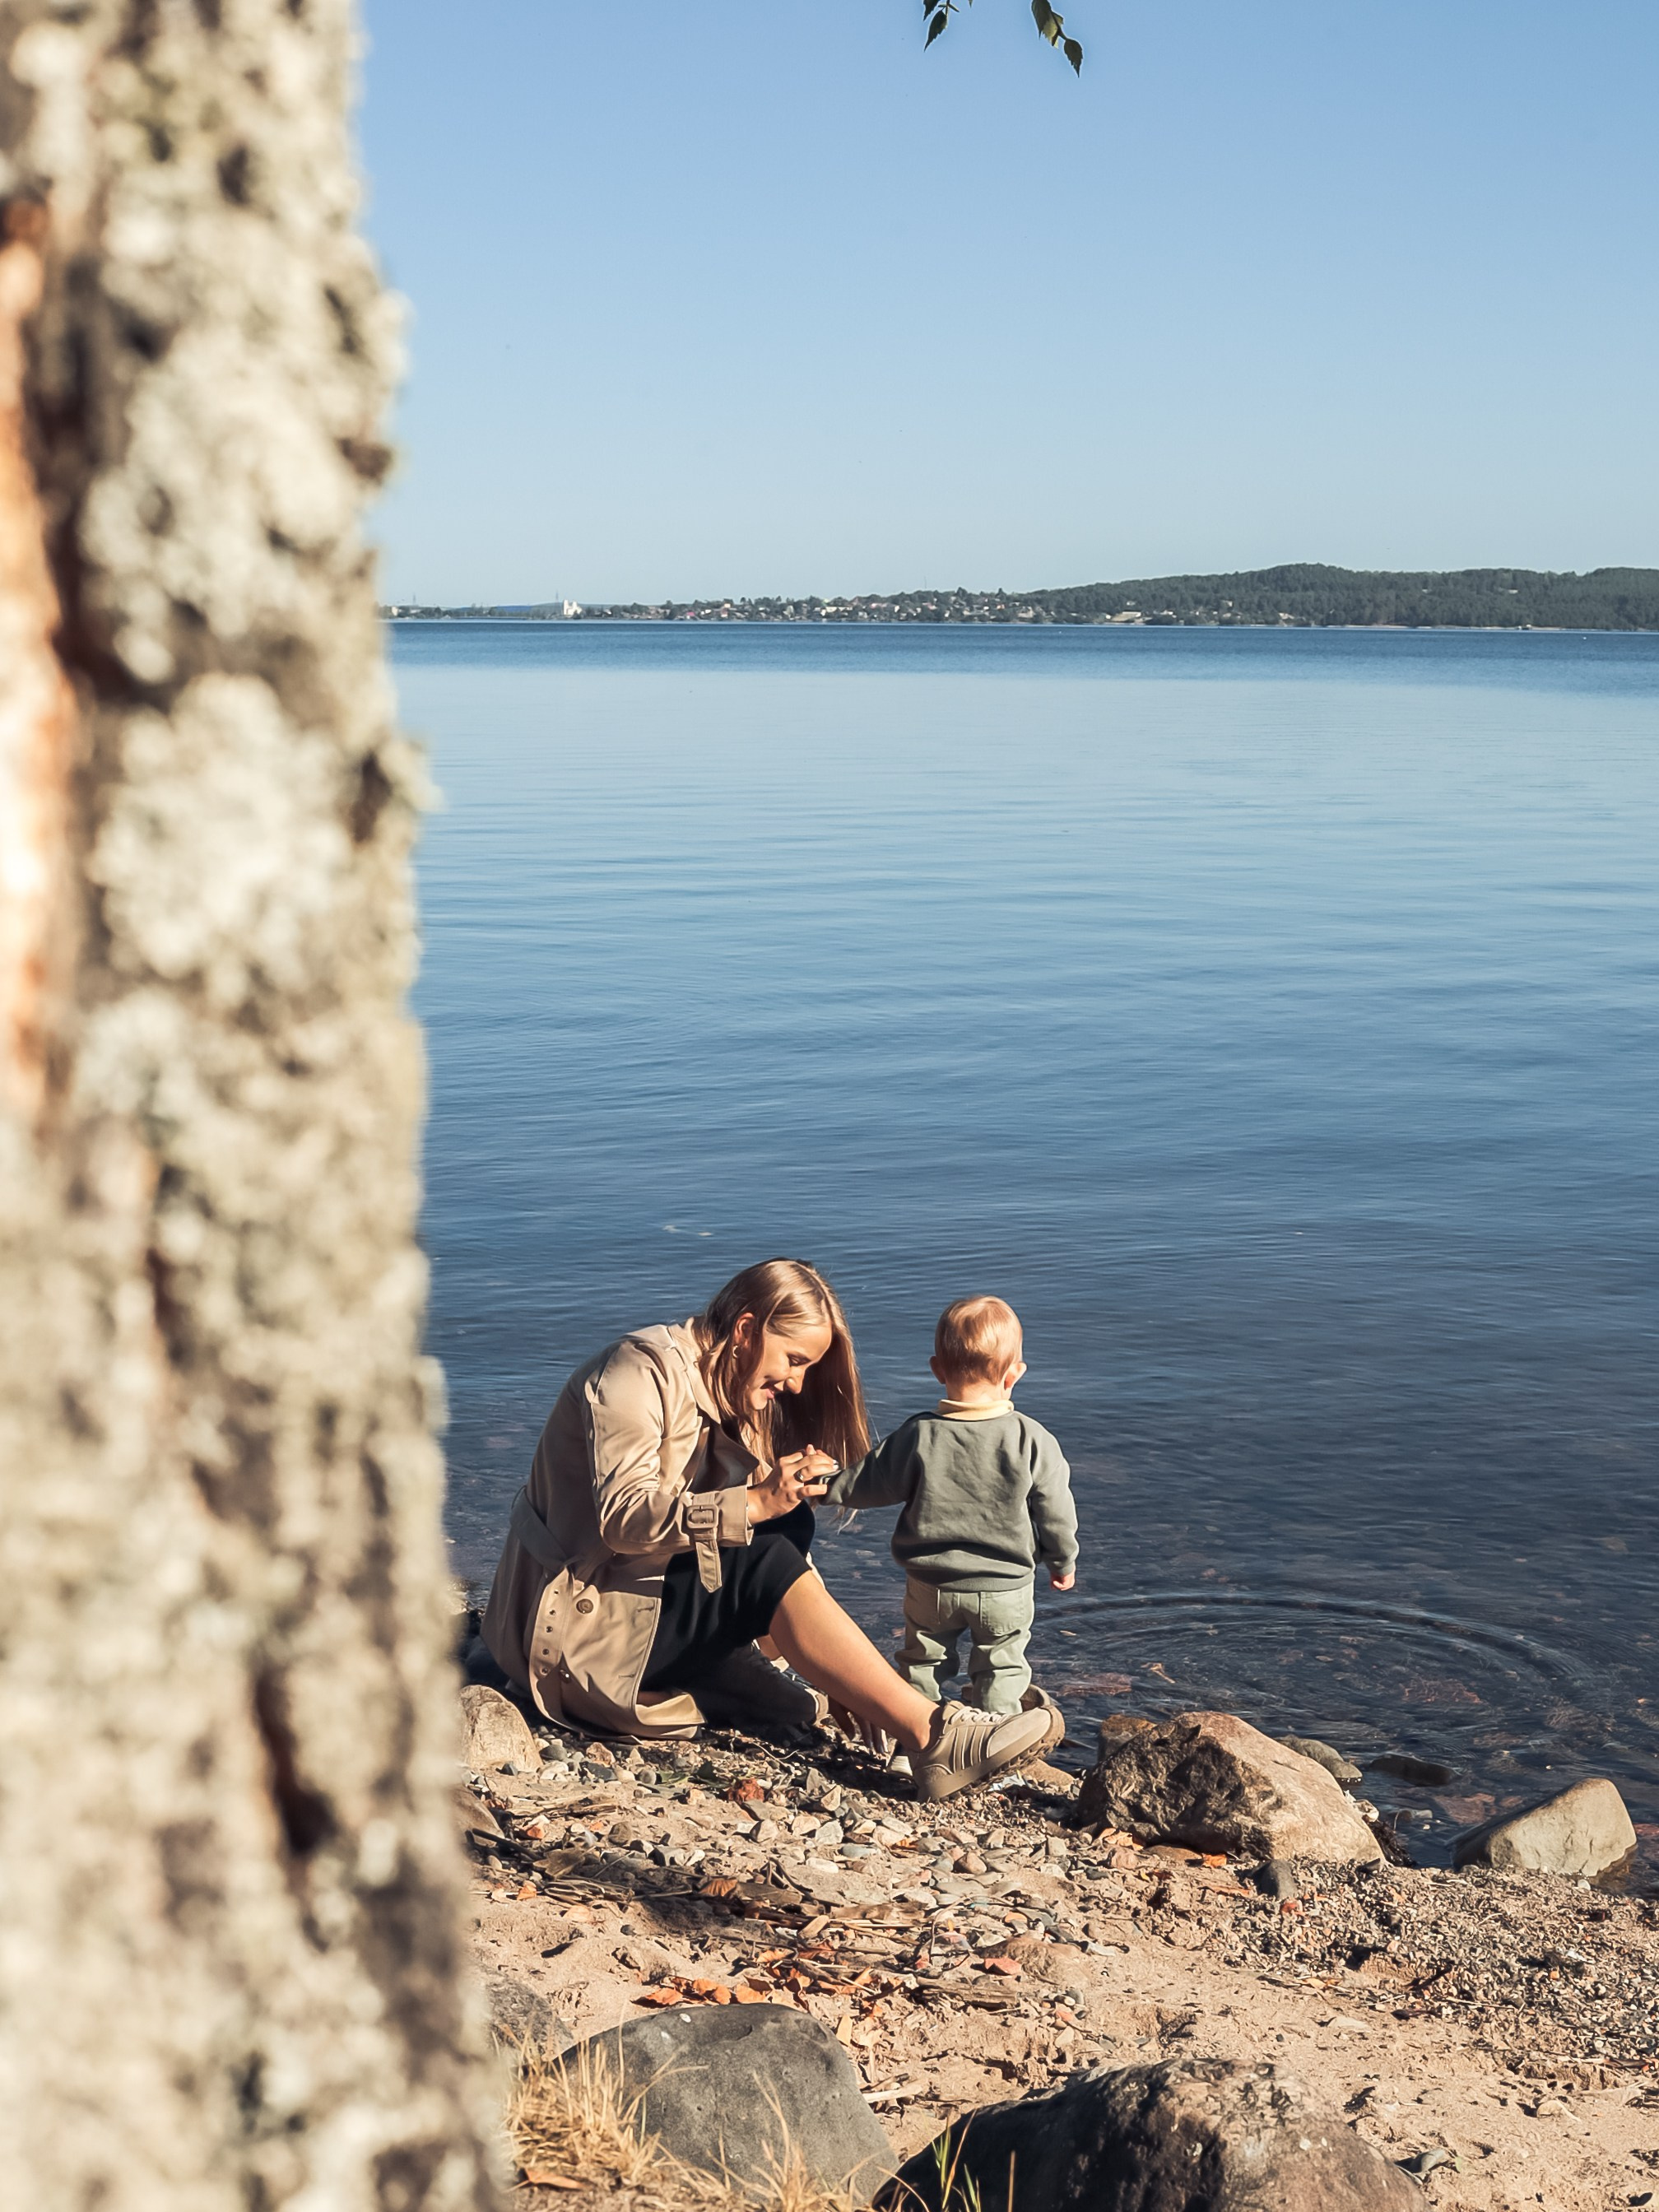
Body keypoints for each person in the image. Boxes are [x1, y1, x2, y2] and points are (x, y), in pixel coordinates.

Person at [479, 1259, 1053, 1800]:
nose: (799, 1385)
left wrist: (840, 1677)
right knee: (764, 1546)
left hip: (640, 1604)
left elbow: (761, 1545)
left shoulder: (732, 1387)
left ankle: (888, 1705)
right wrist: (753, 1501)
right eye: (796, 1360)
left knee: (786, 1527)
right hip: (574, 1629)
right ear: (747, 1328)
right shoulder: (635, 1372)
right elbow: (625, 1520)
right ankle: (934, 1737)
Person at [822, 1295, 1076, 1768]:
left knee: (922, 1662)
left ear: (938, 1369)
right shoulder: (1031, 1439)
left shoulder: (919, 1434)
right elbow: (1055, 1511)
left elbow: (869, 1484)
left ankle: (912, 1747)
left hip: (930, 1586)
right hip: (1005, 1588)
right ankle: (990, 1751)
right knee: (1000, 1666)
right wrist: (1062, 1561)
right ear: (1014, 1373)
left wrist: (823, 1488)